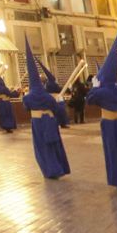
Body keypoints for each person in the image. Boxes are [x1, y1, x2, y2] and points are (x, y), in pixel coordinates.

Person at [86, 26, 117, 193]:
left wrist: (94, 87)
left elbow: (89, 100)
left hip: (109, 125)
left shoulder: (102, 92)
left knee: (114, 152)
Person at [21, 40, 70, 180]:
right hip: (50, 121)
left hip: (37, 123)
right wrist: (60, 116)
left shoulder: (28, 97)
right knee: (53, 145)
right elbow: (56, 109)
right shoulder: (48, 97)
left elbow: (26, 109)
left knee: (42, 147)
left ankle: (50, 170)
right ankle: (58, 168)